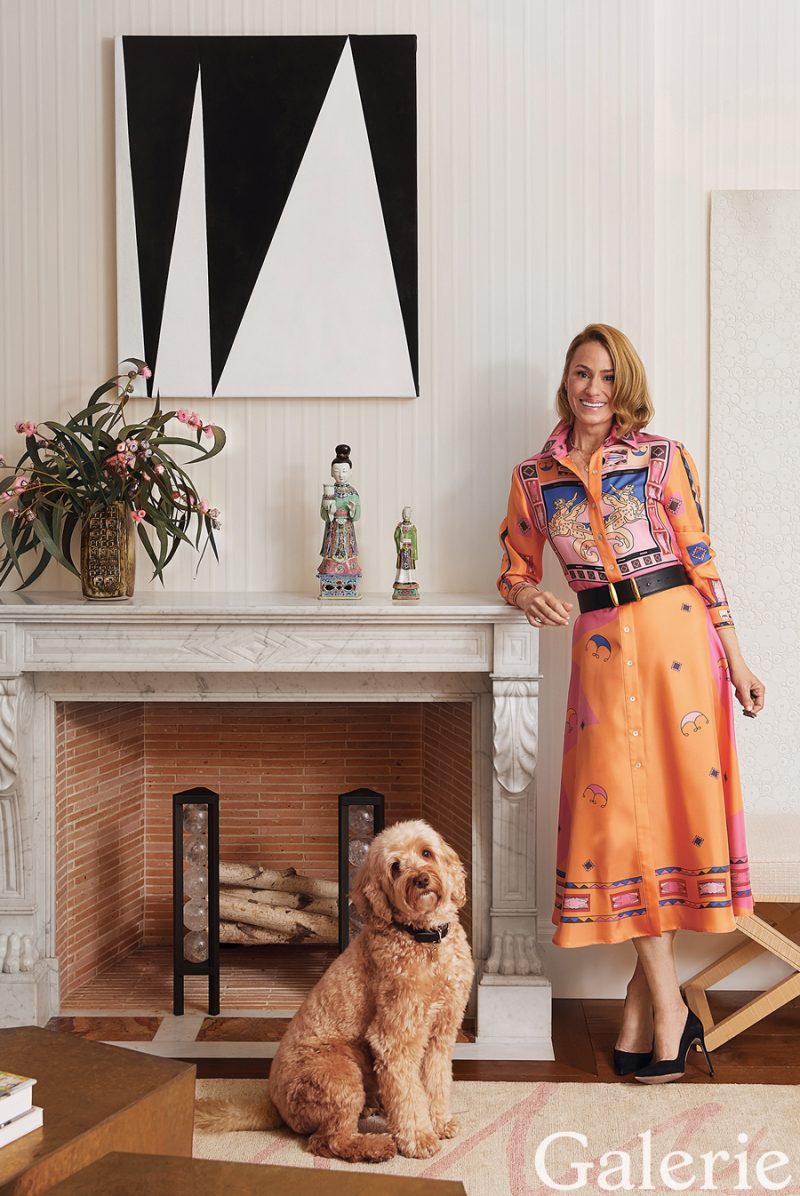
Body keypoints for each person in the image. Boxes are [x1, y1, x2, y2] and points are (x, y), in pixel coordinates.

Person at [497, 323, 765, 1084]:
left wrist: (738, 658)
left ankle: (649, 1008)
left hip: (679, 639)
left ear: (626, 386)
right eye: (582, 375)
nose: (593, 391)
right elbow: (513, 565)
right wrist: (527, 595)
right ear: (566, 379)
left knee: (673, 813)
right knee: (616, 819)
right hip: (601, 647)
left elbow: (702, 560)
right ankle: (661, 1004)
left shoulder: (662, 458)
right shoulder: (533, 477)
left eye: (607, 379)